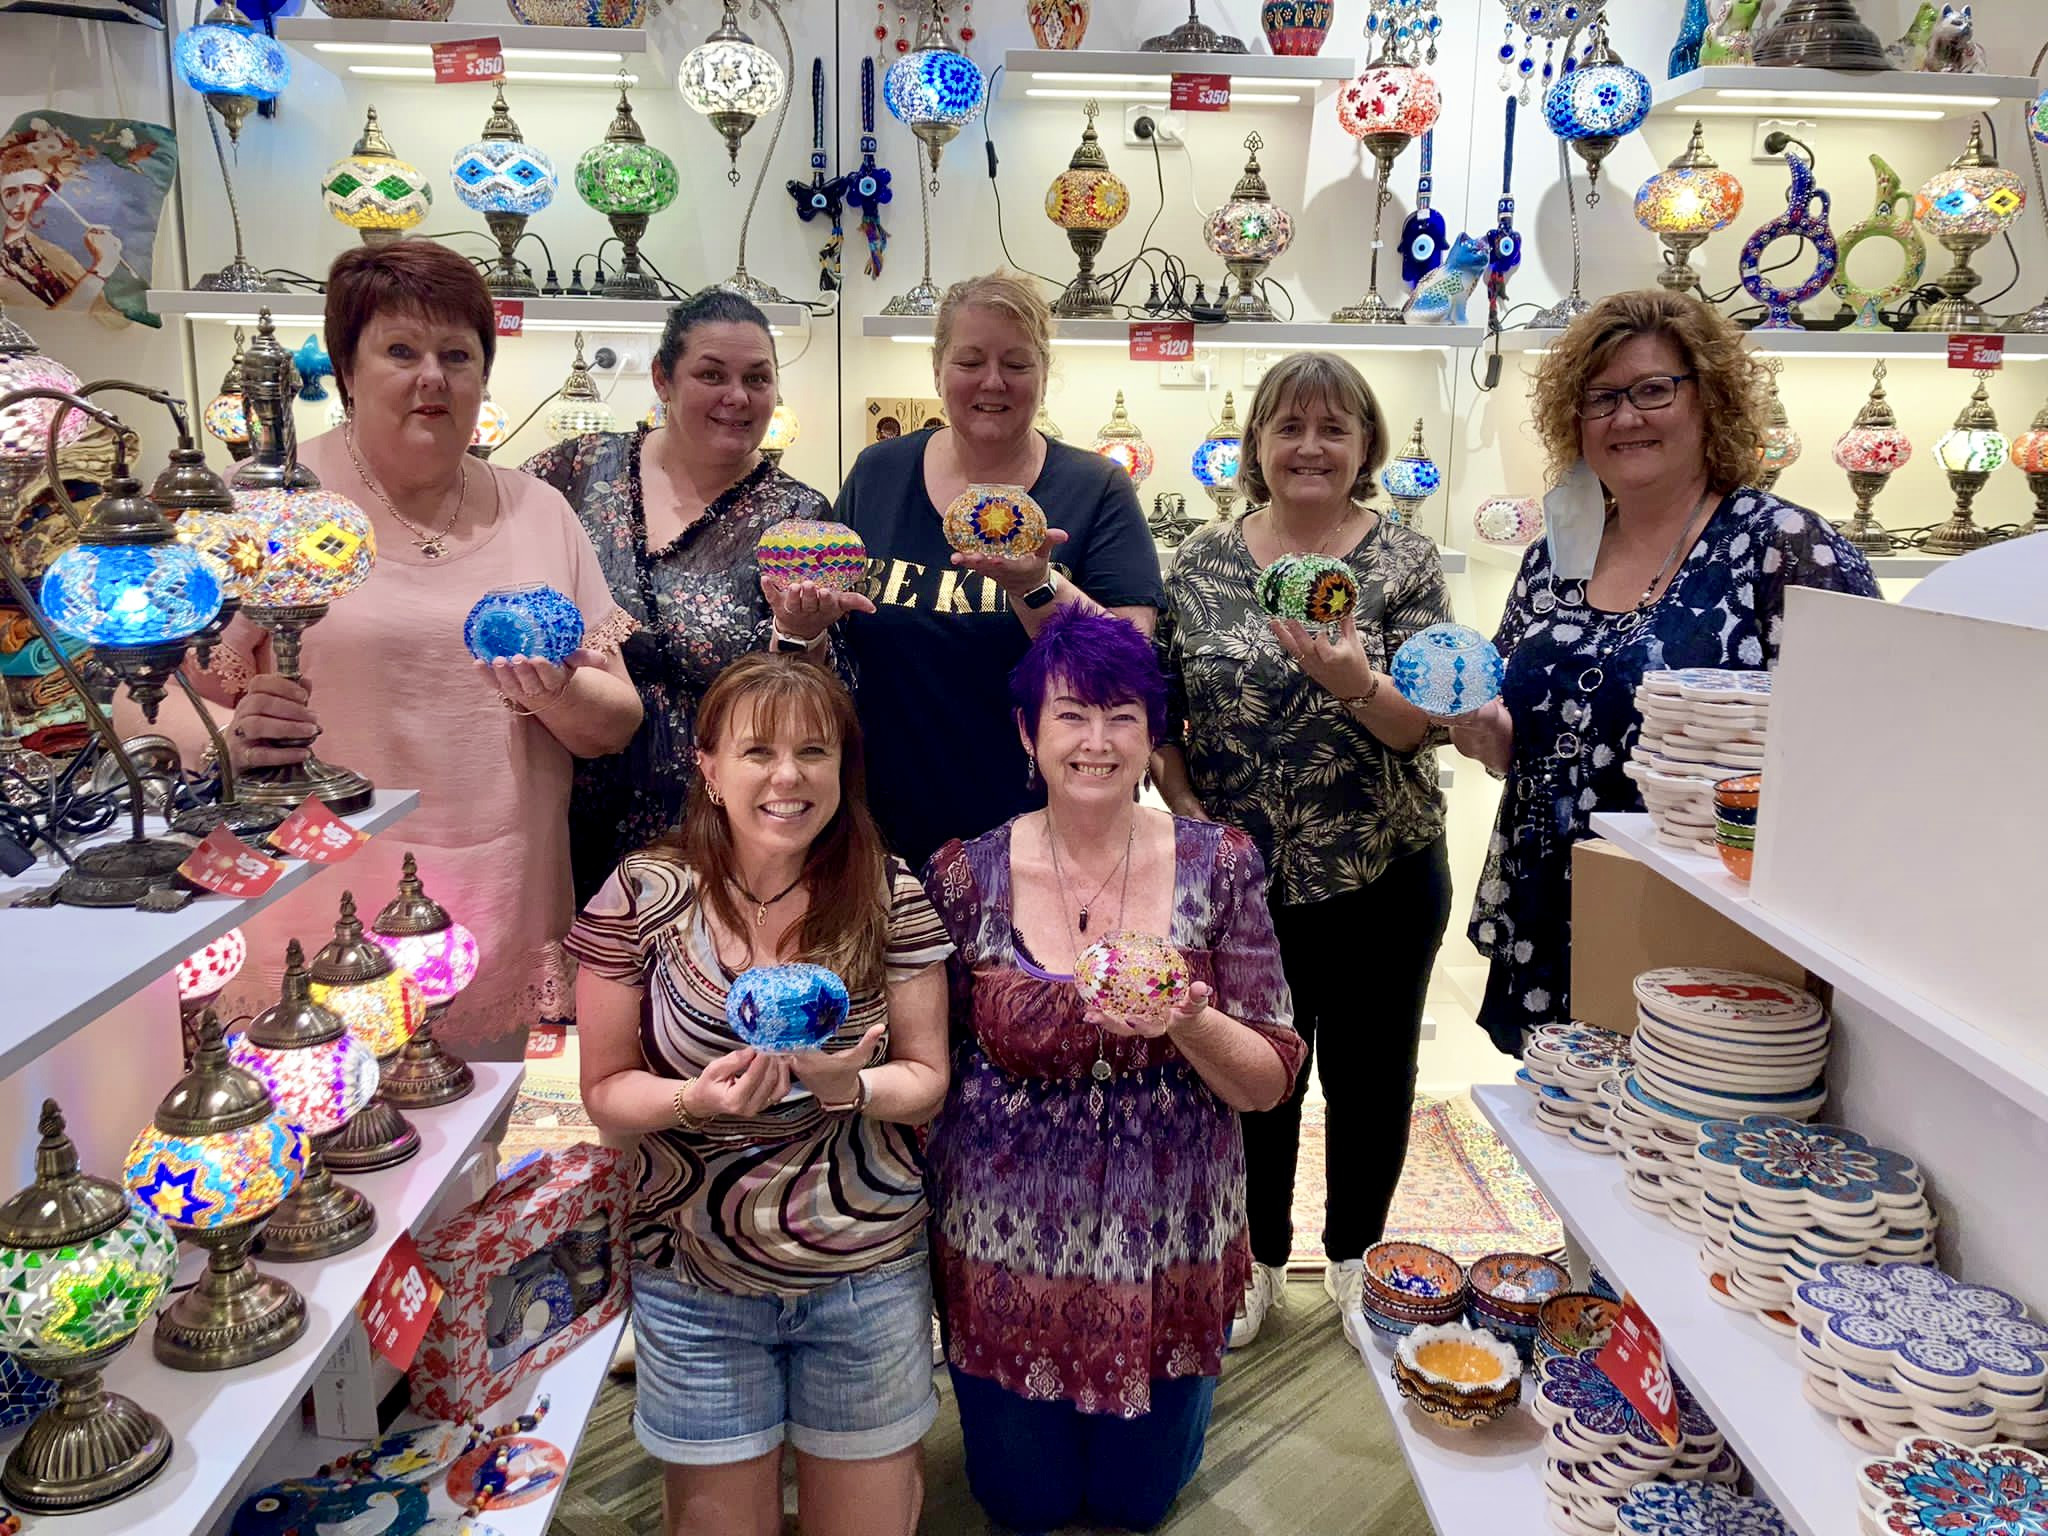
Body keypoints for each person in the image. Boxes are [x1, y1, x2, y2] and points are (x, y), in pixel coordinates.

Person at [171, 239, 644, 1057]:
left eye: (458, 354)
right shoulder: (269, 501)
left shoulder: (541, 511)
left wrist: (552, 694)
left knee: (472, 1157)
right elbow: (150, 692)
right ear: (347, 370)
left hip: (500, 901)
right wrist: (227, 742)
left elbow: (615, 719)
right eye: (400, 350)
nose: (434, 376)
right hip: (318, 901)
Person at [923, 608, 1302, 1534]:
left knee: (1138, 1506)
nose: (1096, 741)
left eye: (1122, 715)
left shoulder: (1223, 865)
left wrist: (1189, 1015)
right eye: (1071, 716)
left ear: (1152, 734)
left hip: (1170, 1237)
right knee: (1022, 1504)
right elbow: (923, 1070)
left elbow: (1267, 1082)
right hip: (1006, 1244)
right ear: (1027, 732)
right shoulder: (964, 877)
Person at [567, 653, 950, 1536]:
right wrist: (691, 1102)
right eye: (758, 753)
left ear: (842, 770)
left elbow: (926, 1084)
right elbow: (605, 1092)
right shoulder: (643, 893)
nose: (788, 776)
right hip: (696, 1276)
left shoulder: (889, 893)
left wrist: (846, 1083)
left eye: (814, 752)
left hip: (863, 1272)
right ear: (708, 767)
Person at [1445, 289, 1880, 1056]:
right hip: (1555, 897)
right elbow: (1531, 737)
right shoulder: (1556, 555)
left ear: (1708, 399)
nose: (1625, 417)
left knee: (1685, 1133)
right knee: (1567, 1131)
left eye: (1653, 390)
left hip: (1705, 910)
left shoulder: (1781, 548)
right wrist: (1485, 732)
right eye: (1601, 398)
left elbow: (1861, 749)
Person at [1151, 352, 1454, 1358]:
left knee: (1371, 1077)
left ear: (1364, 445)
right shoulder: (1200, 560)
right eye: (1288, 426)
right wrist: (1188, 809)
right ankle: (1255, 1263)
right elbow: (1161, 702)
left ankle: (1358, 1259)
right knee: (1256, 1075)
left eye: (1332, 427)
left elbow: (1424, 725)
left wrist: (1351, 680)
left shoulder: (1404, 564)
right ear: (1256, 447)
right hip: (1241, 885)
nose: (1309, 446)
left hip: (1381, 871)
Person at [805, 271, 1164, 870]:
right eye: (970, 360)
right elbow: (835, 639)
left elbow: (1130, 665)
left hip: (1041, 835)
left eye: (1016, 364)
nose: (992, 382)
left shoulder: (1095, 487)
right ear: (938, 369)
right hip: (884, 828)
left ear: (1044, 375)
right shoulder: (878, 473)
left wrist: (1037, 587)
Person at [523, 289, 862, 907]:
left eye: (757, 378)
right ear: (663, 378)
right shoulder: (568, 473)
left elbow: (816, 701)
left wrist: (801, 632)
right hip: (563, 800)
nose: (737, 396)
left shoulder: (796, 515)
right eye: (712, 374)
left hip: (721, 826)